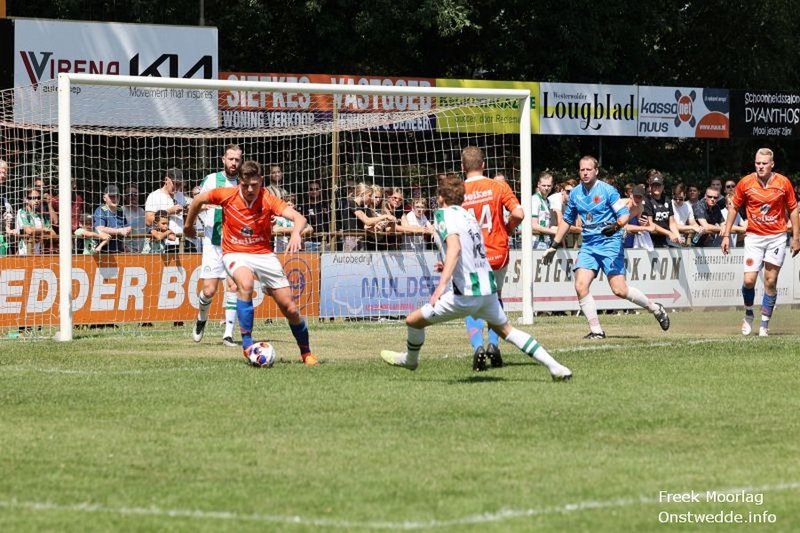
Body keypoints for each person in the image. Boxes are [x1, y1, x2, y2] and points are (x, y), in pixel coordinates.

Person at [380, 173, 572, 381]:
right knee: (507, 331)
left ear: (441, 197)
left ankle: (410, 360)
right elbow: (471, 249)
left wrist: (441, 285)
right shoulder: (468, 216)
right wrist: (447, 264)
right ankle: (557, 368)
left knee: (413, 321)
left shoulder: (442, 214)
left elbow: (455, 247)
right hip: (488, 290)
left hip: (465, 294)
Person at [183, 160, 319, 366]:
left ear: (261, 181)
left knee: (290, 308)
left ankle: (306, 353)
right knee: (245, 284)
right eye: (245, 185)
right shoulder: (226, 194)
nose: (249, 190)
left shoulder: (268, 198)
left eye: (254, 185)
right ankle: (247, 345)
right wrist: (188, 226)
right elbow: (198, 200)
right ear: (239, 182)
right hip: (234, 252)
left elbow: (299, 218)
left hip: (264, 254)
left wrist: (295, 233)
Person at [543, 156, 670, 338]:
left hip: (610, 242)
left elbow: (624, 215)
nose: (585, 173)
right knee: (580, 285)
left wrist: (616, 226)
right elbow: (567, 221)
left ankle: (655, 308)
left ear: (596, 171)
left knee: (619, 290)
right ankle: (596, 331)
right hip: (589, 244)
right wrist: (554, 245)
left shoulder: (608, 191)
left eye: (588, 169)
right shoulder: (576, 194)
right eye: (582, 170)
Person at [721, 148, 800, 337]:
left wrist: (796, 237)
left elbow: (793, 209)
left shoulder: (783, 182)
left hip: (777, 237)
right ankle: (749, 314)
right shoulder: (746, 182)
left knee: (770, 282)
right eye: (758, 163)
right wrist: (726, 235)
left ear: (772, 164)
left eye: (764, 163)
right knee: (749, 280)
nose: (760, 166)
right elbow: (734, 208)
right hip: (754, 237)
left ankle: (764, 324)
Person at [460, 146, 523, 370]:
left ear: (462, 166)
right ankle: (494, 344)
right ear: (483, 165)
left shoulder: (457, 190)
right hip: (497, 253)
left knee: (472, 302)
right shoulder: (498, 186)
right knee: (495, 298)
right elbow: (519, 213)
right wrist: (507, 228)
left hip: (471, 255)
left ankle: (478, 346)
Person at [192, 144, 242, 347]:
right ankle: (201, 318)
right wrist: (210, 206)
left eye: (237, 159)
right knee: (209, 290)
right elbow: (196, 204)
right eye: (231, 159)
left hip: (235, 243)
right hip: (213, 243)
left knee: (234, 286)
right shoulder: (211, 180)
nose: (234, 163)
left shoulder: (243, 183)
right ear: (223, 159)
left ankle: (228, 335)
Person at [145, 168, 191, 251]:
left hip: (181, 241)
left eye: (180, 185)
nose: (177, 188)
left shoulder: (180, 196)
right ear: (166, 180)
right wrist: (169, 212)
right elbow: (148, 220)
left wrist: (187, 211)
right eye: (175, 184)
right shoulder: (154, 196)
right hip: (163, 244)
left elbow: (186, 219)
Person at [642, 171, 680, 247]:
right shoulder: (646, 200)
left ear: (663, 187)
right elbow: (650, 223)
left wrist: (677, 235)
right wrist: (669, 233)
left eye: (659, 185)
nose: (657, 188)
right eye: (654, 185)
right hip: (650, 239)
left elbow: (672, 223)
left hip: (664, 239)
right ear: (650, 186)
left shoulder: (667, 200)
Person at [16, 186, 57, 255]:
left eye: (38, 198)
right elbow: (29, 231)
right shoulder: (22, 212)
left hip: (39, 254)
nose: (36, 200)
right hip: (24, 254)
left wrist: (39, 234)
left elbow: (53, 234)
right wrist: (43, 230)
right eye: (33, 198)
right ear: (26, 199)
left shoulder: (42, 215)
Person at [92, 184, 131, 253]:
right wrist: (119, 231)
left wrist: (128, 229)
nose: (115, 199)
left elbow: (125, 228)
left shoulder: (120, 211)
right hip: (103, 252)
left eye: (117, 196)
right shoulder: (100, 210)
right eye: (111, 196)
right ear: (104, 198)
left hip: (119, 250)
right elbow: (99, 228)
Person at [297, 179, 330, 251]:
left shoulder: (326, 206)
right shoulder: (303, 207)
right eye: (311, 189)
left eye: (316, 189)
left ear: (320, 191)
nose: (314, 191)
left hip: (324, 242)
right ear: (307, 192)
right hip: (308, 242)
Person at [622, 184, 655, 250]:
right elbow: (625, 226)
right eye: (636, 196)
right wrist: (646, 228)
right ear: (631, 195)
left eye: (640, 197)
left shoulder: (640, 207)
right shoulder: (623, 205)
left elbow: (641, 223)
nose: (637, 199)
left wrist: (646, 224)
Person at [531, 171, 557, 250]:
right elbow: (534, 225)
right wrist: (553, 231)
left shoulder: (547, 201)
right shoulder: (535, 200)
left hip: (546, 241)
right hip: (536, 241)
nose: (546, 188)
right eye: (544, 185)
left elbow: (546, 225)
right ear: (538, 184)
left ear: (552, 185)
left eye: (549, 185)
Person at [121, 186, 147, 253]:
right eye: (130, 194)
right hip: (125, 251)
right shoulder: (120, 211)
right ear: (125, 197)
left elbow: (148, 229)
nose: (133, 197)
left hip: (140, 251)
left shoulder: (142, 211)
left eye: (135, 194)